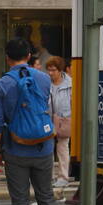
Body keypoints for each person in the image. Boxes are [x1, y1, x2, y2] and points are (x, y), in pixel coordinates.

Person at [0, 37, 60, 205]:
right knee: (46, 196)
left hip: (16, 148)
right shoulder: (44, 78)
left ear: (7, 58)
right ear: (29, 56)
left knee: (19, 200)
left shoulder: (1, 85)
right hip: (43, 146)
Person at [45, 56, 73, 187]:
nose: (50, 73)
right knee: (47, 149)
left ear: (60, 70)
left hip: (64, 119)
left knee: (62, 148)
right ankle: (47, 176)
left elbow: (73, 102)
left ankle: (63, 176)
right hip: (48, 119)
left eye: (53, 70)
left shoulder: (70, 83)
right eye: (49, 70)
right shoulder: (45, 83)